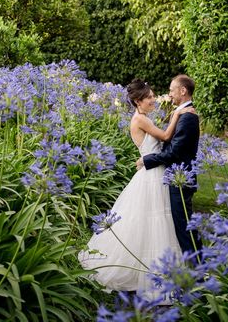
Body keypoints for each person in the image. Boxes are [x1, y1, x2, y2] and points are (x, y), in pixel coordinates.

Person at [79, 78, 194, 298]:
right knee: (150, 222)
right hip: (151, 177)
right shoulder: (140, 120)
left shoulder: (145, 118)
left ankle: (163, 270)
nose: (153, 100)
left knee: (159, 222)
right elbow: (166, 136)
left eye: (152, 96)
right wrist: (177, 115)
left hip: (156, 172)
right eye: (149, 97)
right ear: (138, 101)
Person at [136, 74, 201, 260]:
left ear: (183, 90)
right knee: (183, 224)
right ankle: (196, 265)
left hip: (181, 179)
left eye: (172, 90)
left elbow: (174, 152)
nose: (169, 94)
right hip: (174, 176)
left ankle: (198, 268)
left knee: (185, 225)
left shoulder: (188, 117)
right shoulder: (181, 113)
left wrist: (146, 161)